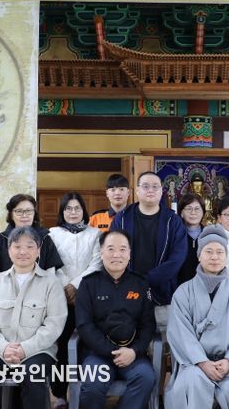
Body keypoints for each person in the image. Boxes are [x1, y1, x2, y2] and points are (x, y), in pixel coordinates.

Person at [0, 226, 67, 409]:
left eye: (29, 246)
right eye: (17, 246)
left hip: (38, 351)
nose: (23, 252)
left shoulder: (51, 283)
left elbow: (54, 324)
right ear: (9, 250)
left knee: (33, 377)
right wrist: (3, 347)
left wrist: (25, 349)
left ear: (38, 250)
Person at [166, 226, 229, 409]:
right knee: (191, 382)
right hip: (195, 364)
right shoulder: (183, 293)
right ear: (199, 256)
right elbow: (181, 334)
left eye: (220, 252)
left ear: (226, 256)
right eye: (208, 251)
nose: (214, 257)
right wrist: (202, 362)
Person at [75, 230, 156, 409]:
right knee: (93, 384)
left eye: (122, 249)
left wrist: (134, 351)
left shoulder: (140, 283)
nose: (117, 255)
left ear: (129, 254)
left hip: (133, 354)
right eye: (111, 249)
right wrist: (112, 351)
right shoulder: (88, 284)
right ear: (101, 252)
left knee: (146, 377)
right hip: (97, 353)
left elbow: (148, 325)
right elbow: (84, 325)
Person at [110, 171, 187, 330]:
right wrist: (130, 281)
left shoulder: (173, 221)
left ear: (161, 191)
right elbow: (112, 252)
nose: (150, 190)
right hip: (127, 292)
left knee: (164, 341)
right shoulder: (122, 219)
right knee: (130, 338)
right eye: (145, 186)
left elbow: (177, 257)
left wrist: (146, 280)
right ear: (137, 190)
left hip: (163, 294)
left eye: (155, 186)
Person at [49, 192, 102, 409]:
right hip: (61, 298)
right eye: (68, 208)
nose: (73, 212)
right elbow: (51, 263)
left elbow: (97, 263)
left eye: (77, 208)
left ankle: (86, 392)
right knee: (61, 346)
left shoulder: (95, 234)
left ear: (83, 210)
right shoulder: (52, 234)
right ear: (62, 211)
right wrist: (65, 286)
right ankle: (60, 394)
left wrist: (76, 285)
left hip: (87, 296)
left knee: (88, 344)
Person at [0, 194, 64, 280]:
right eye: (19, 211)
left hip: (39, 287)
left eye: (29, 211)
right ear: (11, 214)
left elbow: (51, 270)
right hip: (6, 286)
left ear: (34, 213)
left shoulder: (45, 238)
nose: (24, 215)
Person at [176, 193, 206, 284]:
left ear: (203, 212)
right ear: (181, 213)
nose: (193, 212)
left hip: (204, 286)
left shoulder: (209, 235)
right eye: (189, 208)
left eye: (197, 209)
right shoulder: (175, 236)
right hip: (179, 287)